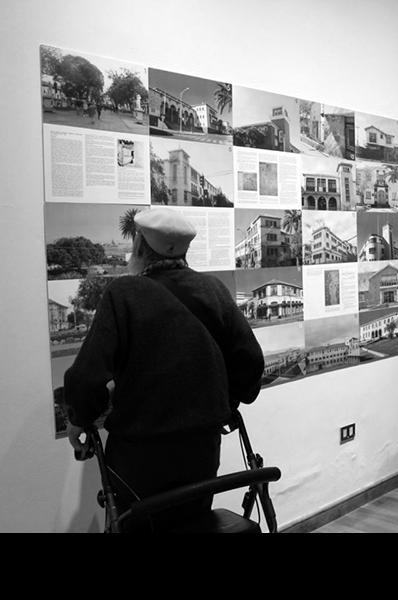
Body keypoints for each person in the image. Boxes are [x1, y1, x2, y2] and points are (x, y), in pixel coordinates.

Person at [64, 207, 265, 532]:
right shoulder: (213, 289)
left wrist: (79, 419)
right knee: (193, 524)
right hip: (201, 450)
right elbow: (251, 364)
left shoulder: (123, 294)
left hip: (139, 457)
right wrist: (226, 403)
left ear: (141, 247)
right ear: (184, 249)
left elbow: (87, 378)